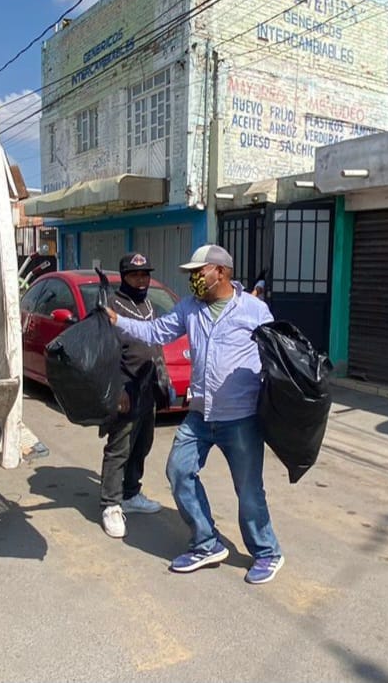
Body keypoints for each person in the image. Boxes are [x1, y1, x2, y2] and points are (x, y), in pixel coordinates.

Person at [105, 243, 284, 584]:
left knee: (248, 490)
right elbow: (155, 332)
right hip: (200, 415)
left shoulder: (254, 310)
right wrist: (117, 321)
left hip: (241, 417)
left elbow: (274, 357)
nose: (193, 279)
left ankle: (267, 552)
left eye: (198, 272)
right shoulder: (190, 308)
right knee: (179, 470)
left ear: (221, 272)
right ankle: (206, 541)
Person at [99, 252, 167, 539]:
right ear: (123, 277)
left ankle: (131, 493)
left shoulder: (148, 304)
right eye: (135, 275)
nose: (141, 279)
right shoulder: (112, 306)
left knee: (143, 443)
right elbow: (105, 353)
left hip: (148, 386)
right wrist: (117, 389)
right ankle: (111, 505)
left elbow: (156, 341)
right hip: (126, 389)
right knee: (120, 448)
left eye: (145, 274)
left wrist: (163, 381)